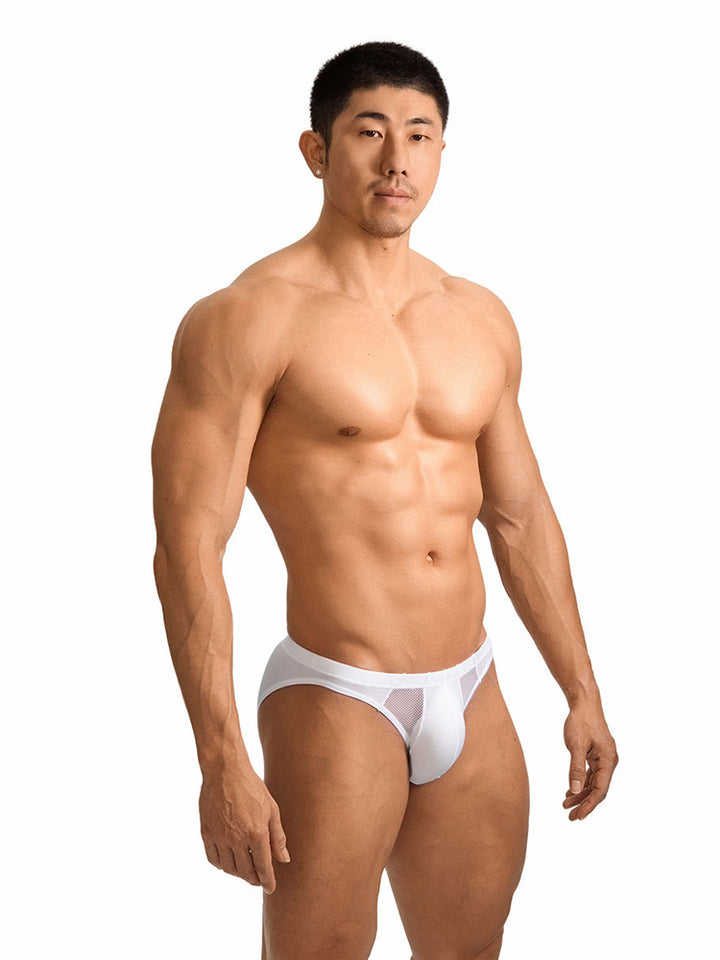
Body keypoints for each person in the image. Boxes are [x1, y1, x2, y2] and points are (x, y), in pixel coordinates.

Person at [151, 40, 618, 960]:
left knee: (470, 950)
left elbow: (519, 517)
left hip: (472, 687)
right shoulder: (247, 318)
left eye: (420, 135)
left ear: (443, 151)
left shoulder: (478, 316)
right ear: (316, 151)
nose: (397, 159)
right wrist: (219, 759)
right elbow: (189, 545)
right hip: (338, 691)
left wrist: (582, 690)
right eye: (369, 132)